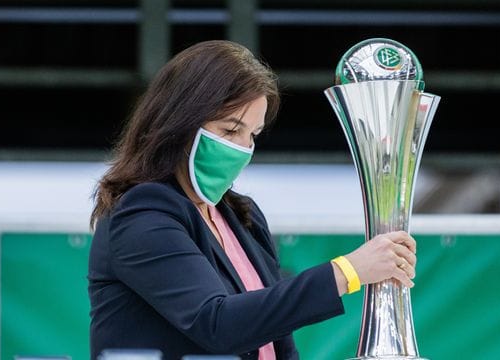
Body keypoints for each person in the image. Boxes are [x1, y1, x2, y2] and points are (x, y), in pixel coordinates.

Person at [88, 40, 417, 360]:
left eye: (253, 135)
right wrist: (348, 271)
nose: (243, 148)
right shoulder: (140, 213)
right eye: (230, 131)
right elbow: (218, 323)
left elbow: (275, 339)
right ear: (179, 123)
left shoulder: (241, 215)